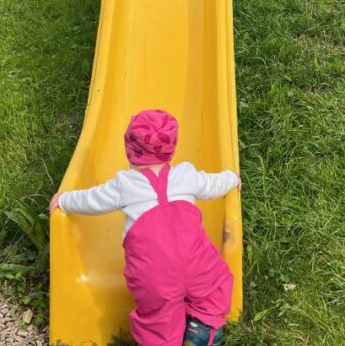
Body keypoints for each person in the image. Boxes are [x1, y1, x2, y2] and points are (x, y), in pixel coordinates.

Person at [49, 109, 240, 346]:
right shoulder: (186, 175)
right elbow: (213, 184)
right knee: (215, 288)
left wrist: (64, 200)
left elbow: (92, 200)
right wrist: (232, 178)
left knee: (159, 321)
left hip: (154, 273)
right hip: (197, 263)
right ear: (173, 149)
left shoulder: (124, 185)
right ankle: (202, 331)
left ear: (129, 151)